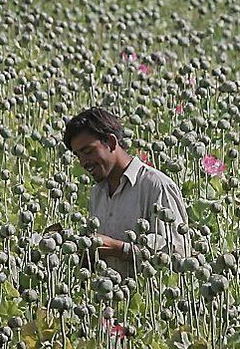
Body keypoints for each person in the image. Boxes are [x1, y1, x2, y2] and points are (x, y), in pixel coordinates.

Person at [63, 107, 189, 277]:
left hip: (150, 299)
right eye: (78, 155)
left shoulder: (156, 186)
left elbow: (179, 255)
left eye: (88, 151)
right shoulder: (97, 193)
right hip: (106, 299)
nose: (84, 162)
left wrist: (121, 250)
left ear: (111, 142)